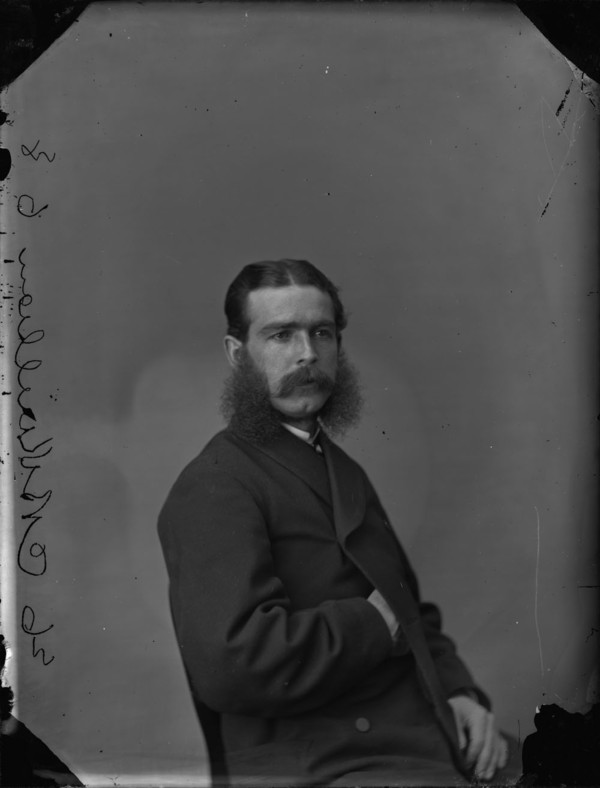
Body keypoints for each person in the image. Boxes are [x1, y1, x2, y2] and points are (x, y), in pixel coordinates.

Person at [158, 259, 520, 787]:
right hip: (322, 763)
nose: (307, 353)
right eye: (281, 335)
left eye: (321, 333)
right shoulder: (215, 485)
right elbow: (233, 664)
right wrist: (370, 624)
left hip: (416, 733)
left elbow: (408, 610)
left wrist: (459, 693)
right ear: (238, 354)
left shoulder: (342, 470)